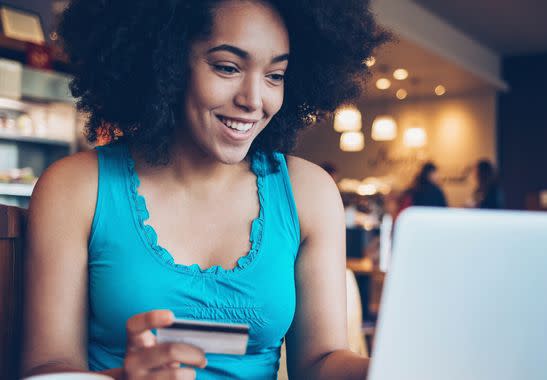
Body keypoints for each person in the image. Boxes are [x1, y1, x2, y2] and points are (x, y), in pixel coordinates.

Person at [22, 1, 388, 379]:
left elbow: (320, 361)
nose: (254, 100)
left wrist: (400, 367)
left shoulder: (308, 193)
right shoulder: (76, 187)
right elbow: (48, 367)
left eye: (275, 75)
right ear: (165, 60)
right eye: (228, 67)